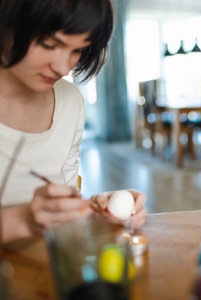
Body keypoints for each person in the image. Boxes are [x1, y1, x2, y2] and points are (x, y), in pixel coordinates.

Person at [0, 0, 146, 244]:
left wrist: (96, 211)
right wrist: (23, 221)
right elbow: (32, 219)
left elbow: (63, 208)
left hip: (50, 270)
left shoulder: (70, 102)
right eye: (49, 44)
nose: (63, 68)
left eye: (77, 50)